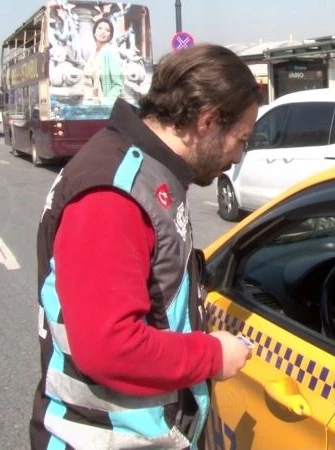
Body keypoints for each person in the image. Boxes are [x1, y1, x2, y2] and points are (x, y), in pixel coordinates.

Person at [30, 44, 261, 449]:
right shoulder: (114, 191)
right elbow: (109, 347)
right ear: (207, 122)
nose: (238, 156)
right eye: (240, 140)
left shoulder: (148, 172)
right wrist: (212, 356)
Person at [86, 17, 124, 101]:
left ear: (110, 36)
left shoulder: (110, 53)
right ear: (94, 32)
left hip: (104, 105)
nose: (103, 32)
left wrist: (106, 103)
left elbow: (118, 85)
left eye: (107, 30)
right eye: (100, 28)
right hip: (91, 104)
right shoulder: (92, 54)